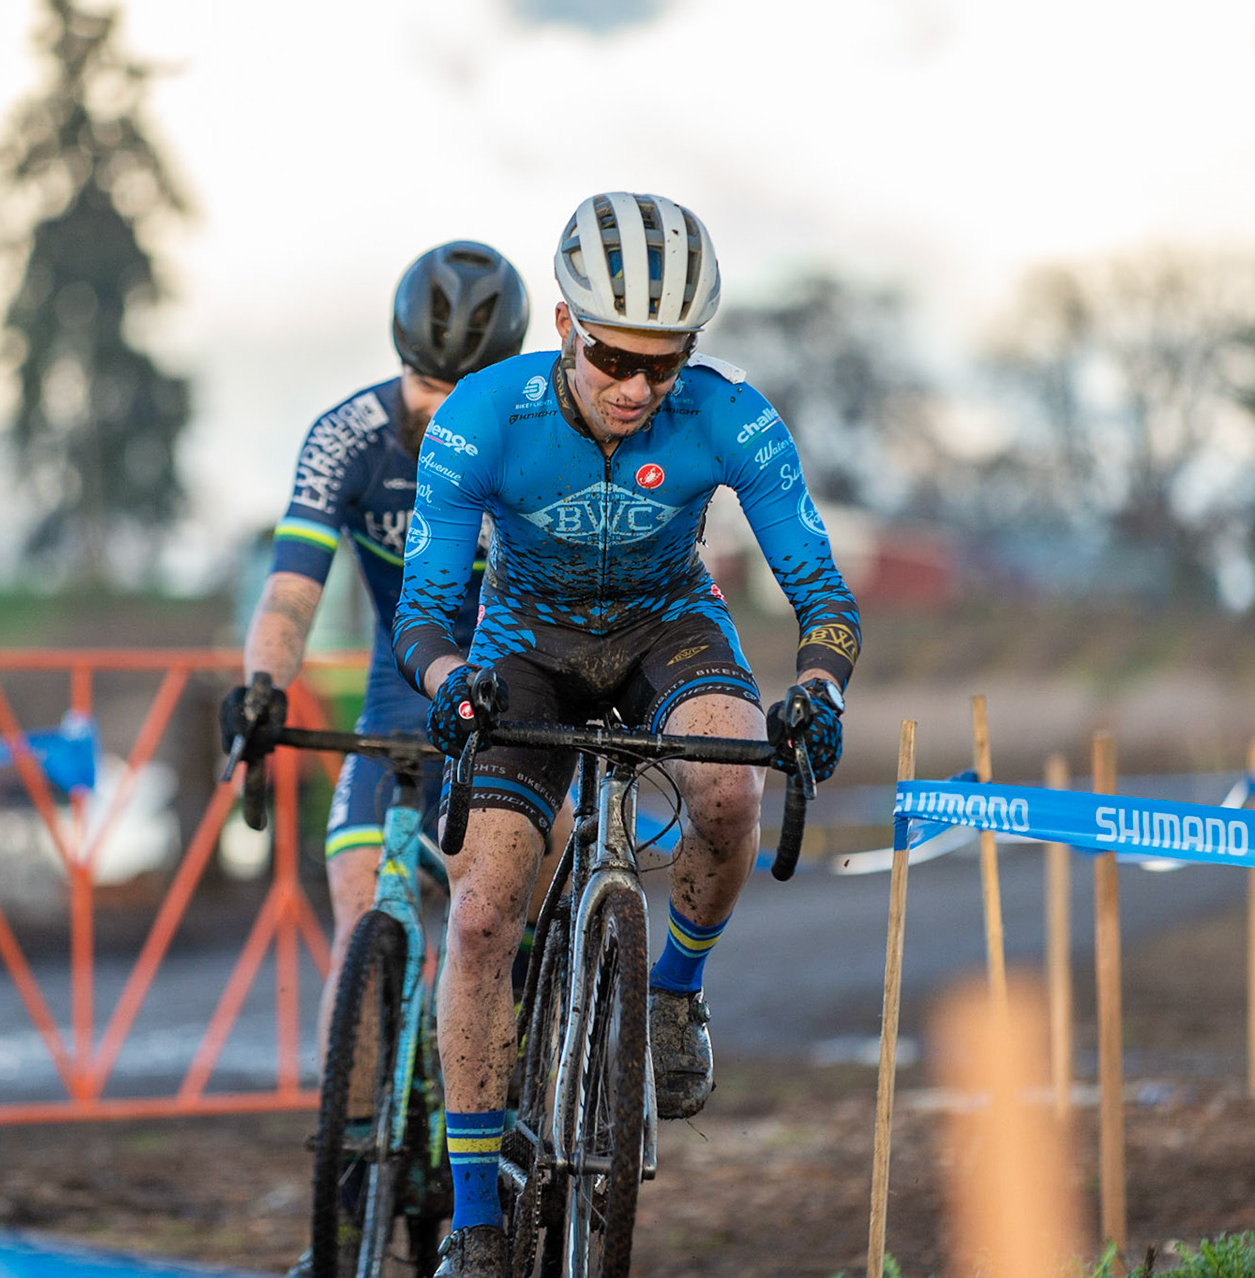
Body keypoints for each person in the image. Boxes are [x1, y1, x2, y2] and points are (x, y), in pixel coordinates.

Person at [392, 192, 860, 1274]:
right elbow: (423, 608)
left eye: (664, 363)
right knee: (479, 918)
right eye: (612, 358)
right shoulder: (482, 414)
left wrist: (820, 693)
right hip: (525, 645)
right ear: (564, 324)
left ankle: (675, 996)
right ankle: (477, 1225)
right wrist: (451, 682)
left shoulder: (730, 414)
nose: (637, 389)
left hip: (667, 626)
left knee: (731, 787)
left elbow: (821, 593)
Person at [219, 240, 529, 1278]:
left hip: (515, 710)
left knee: (505, 920)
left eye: (463, 390)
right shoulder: (346, 436)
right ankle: (348, 1204)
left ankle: (518, 1105)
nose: (439, 408)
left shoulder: (538, 443)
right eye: (426, 382)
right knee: (362, 911)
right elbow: (292, 587)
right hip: (402, 702)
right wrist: (262, 686)